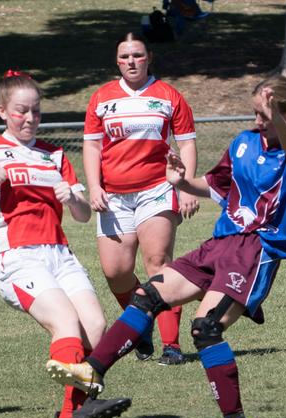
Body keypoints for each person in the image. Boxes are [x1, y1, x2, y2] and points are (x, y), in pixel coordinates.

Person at [47, 75, 286, 418]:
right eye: (255, 113)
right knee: (146, 296)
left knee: (205, 327)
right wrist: (183, 182)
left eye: (264, 115)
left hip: (256, 252)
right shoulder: (243, 142)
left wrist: (278, 118)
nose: (257, 121)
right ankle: (91, 372)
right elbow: (216, 183)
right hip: (220, 242)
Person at [0, 70, 131, 418]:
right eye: (21, 111)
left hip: (60, 253)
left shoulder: (55, 155)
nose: (30, 119)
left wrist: (73, 198)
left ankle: (71, 415)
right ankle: (77, 410)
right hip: (18, 257)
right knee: (66, 324)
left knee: (97, 327)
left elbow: (85, 215)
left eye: (36, 111)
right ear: (3, 112)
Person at [83, 32, 199, 365]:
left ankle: (172, 345)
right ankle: (142, 323)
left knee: (157, 262)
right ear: (117, 61)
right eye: (124, 57)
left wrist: (186, 186)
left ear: (149, 57)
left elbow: (187, 143)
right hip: (114, 196)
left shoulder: (168, 95)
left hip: (157, 189)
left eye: (137, 55)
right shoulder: (102, 98)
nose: (131, 61)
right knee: (115, 272)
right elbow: (91, 145)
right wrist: (94, 186)